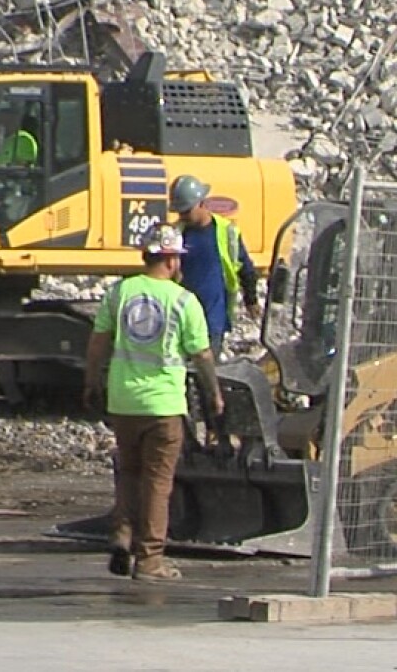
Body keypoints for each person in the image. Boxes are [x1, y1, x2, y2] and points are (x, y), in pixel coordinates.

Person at [83, 223, 223, 582]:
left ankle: (122, 534)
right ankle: (149, 559)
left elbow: (98, 342)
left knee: (129, 474)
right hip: (163, 406)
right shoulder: (182, 300)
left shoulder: (120, 292)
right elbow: (202, 355)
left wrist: (91, 382)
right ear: (173, 259)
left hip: (124, 402)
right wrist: (214, 393)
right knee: (158, 482)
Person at [169, 174, 261, 356]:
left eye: (187, 211)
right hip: (180, 319)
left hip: (212, 319)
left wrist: (251, 300)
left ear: (202, 203)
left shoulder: (227, 232)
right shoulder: (175, 234)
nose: (183, 216)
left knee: (207, 371)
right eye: (180, 212)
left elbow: (245, 268)